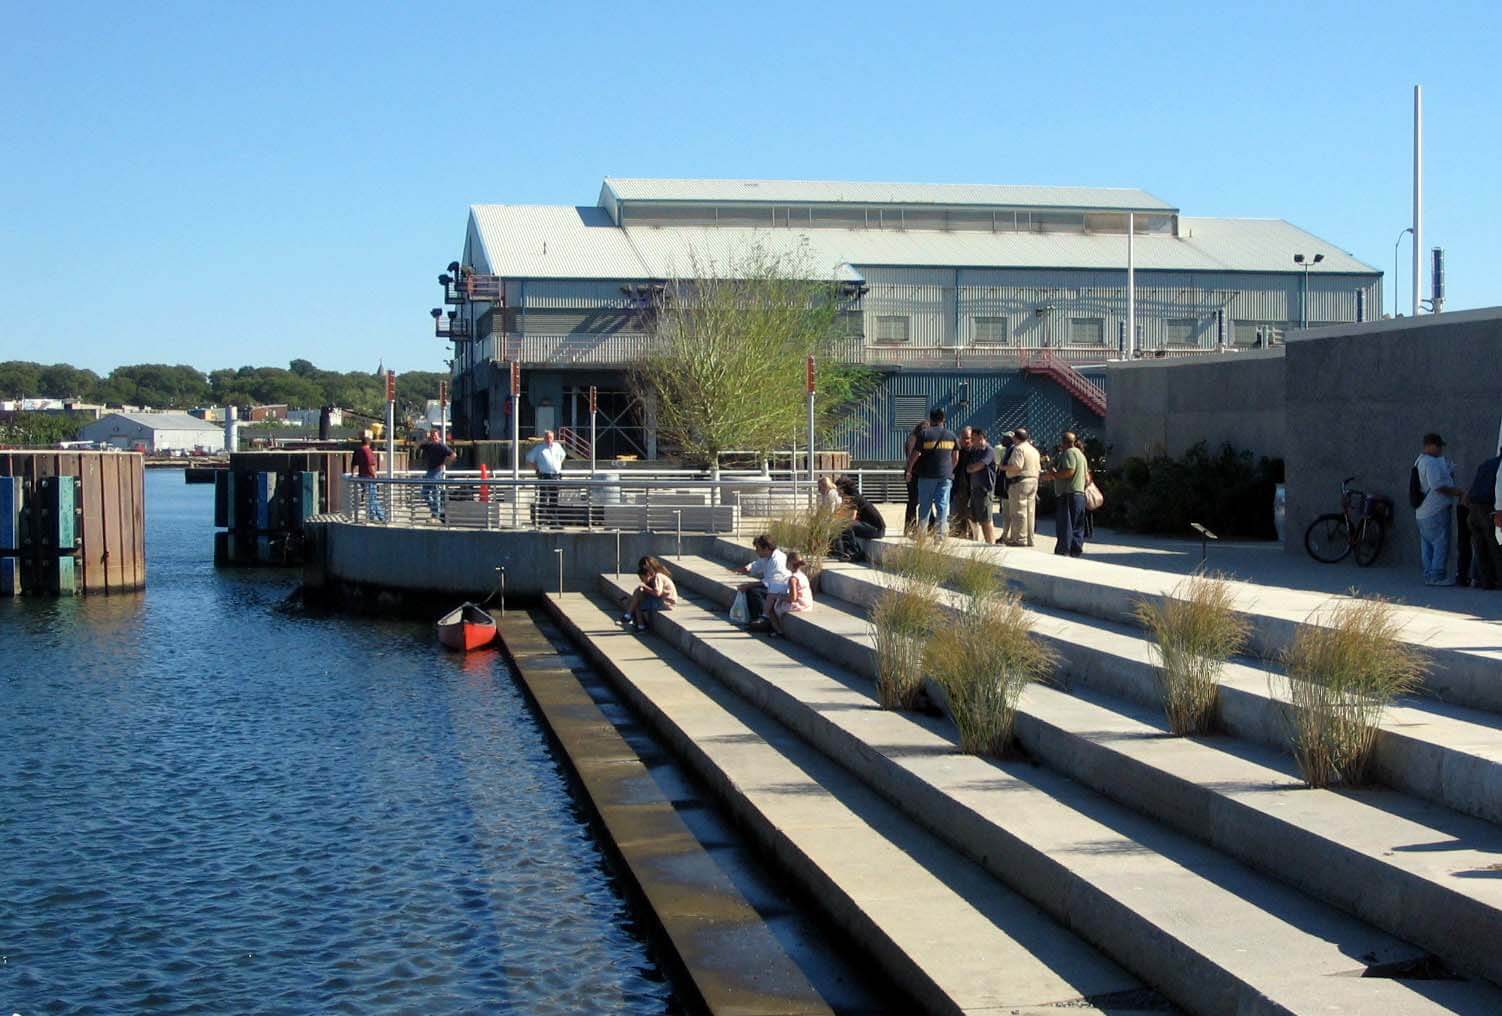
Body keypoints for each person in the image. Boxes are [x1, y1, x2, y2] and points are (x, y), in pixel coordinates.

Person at [1414, 432, 1464, 586]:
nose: (1440, 450)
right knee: (1440, 542)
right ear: (1430, 445)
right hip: (1436, 510)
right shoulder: (1431, 462)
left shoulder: (1419, 461)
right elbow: (1437, 485)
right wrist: (1456, 492)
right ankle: (1437, 576)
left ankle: (1429, 575)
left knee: (1427, 545)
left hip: (1421, 512)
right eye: (1438, 447)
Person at [906, 409, 959, 540]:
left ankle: (922, 535)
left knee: (925, 505)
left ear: (931, 420)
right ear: (944, 420)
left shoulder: (924, 434)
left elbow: (916, 454)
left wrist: (909, 470)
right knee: (942, 505)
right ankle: (940, 536)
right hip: (945, 477)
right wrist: (949, 470)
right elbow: (956, 457)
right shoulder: (951, 435)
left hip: (926, 476)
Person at [1041, 431, 1089, 557]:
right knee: (1077, 525)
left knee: (1065, 524)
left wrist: (1055, 474)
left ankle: (1064, 549)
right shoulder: (1081, 455)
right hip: (1079, 493)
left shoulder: (1069, 453)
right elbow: (1087, 477)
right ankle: (1076, 549)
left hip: (1068, 493)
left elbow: (1069, 471)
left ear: (1063, 443)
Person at [1465, 445, 1502, 590]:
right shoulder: (1500, 466)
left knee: (1480, 547)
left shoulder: (1487, 463)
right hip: (1489, 508)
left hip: (1473, 508)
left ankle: (1486, 582)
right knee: (1496, 547)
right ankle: (1500, 581)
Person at [736, 534, 790, 629]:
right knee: (750, 590)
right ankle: (755, 619)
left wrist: (749, 585)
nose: (756, 551)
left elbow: (770, 582)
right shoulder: (767, 557)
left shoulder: (777, 560)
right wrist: (748, 568)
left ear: (766, 548)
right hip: (772, 586)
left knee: (754, 591)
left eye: (758, 548)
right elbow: (758, 564)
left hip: (781, 589)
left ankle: (764, 619)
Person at [1002, 428, 1040, 547]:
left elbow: (1017, 466)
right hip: (1033, 481)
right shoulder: (1034, 450)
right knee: (1030, 511)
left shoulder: (1019, 449)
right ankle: (1030, 538)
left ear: (1016, 438)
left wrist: (1004, 467)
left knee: (1018, 511)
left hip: (1020, 482)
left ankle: (1019, 539)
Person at [622, 556, 676, 632]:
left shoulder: (658, 576)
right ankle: (633, 619)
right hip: (662, 600)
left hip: (666, 603)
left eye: (645, 569)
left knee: (637, 602)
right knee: (636, 595)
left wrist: (644, 587)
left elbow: (657, 593)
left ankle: (635, 621)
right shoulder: (656, 576)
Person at [526, 429, 567, 529]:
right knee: (543, 498)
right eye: (547, 437)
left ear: (553, 438)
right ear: (544, 438)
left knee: (554, 499)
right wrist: (537, 469)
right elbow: (529, 458)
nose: (549, 439)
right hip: (545, 475)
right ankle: (542, 522)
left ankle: (554, 522)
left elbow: (563, 456)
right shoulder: (539, 448)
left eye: (551, 437)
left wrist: (557, 465)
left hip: (556, 476)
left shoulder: (558, 446)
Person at [766, 552, 814, 637]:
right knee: (775, 598)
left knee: (772, 605)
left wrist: (778, 596)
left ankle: (778, 630)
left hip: (800, 605)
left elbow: (793, 598)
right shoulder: (802, 575)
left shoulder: (793, 579)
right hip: (807, 603)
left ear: (789, 564)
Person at [964, 427, 998, 544]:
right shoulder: (975, 451)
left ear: (982, 438)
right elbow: (968, 467)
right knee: (972, 517)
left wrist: (972, 468)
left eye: (974, 439)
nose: (973, 441)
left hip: (985, 489)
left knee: (985, 519)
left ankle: (990, 543)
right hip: (974, 489)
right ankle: (976, 540)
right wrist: (971, 468)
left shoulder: (989, 450)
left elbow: (980, 465)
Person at [419, 428, 455, 519]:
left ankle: (436, 514)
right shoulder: (429, 445)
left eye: (435, 436)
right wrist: (426, 438)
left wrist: (444, 463)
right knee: (424, 493)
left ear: (439, 437)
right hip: (430, 471)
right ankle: (435, 511)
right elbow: (417, 445)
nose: (433, 438)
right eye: (432, 436)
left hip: (437, 470)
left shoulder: (442, 446)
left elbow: (453, 455)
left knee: (435, 492)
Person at [352, 433, 384, 522]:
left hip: (361, 477)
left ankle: (376, 516)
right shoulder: (368, 451)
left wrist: (353, 474)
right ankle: (380, 517)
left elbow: (353, 464)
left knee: (370, 497)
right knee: (372, 497)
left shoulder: (357, 451)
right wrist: (375, 476)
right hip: (369, 477)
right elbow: (371, 465)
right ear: (369, 444)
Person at [949, 426, 975, 537]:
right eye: (964, 438)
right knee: (955, 515)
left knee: (970, 517)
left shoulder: (975, 452)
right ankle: (956, 535)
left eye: (968, 438)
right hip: (956, 488)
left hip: (971, 490)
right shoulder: (956, 451)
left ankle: (971, 537)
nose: (966, 441)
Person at [902, 422, 925, 535]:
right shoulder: (914, 439)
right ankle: (910, 526)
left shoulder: (913, 438)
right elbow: (912, 455)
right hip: (913, 472)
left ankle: (912, 526)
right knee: (913, 500)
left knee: (916, 500)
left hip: (915, 472)